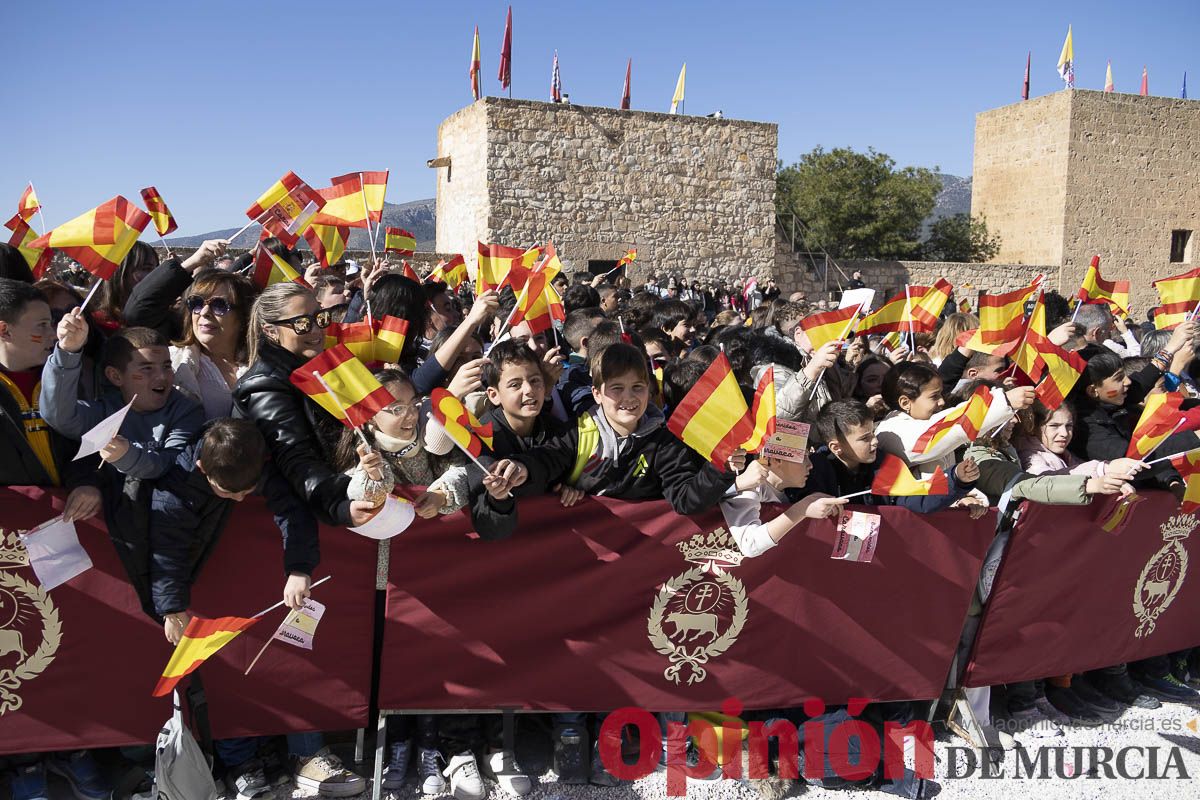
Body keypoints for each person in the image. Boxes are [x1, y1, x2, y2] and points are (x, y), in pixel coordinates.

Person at [485, 343, 741, 519]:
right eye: (616, 388)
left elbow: (686, 499)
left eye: (637, 387)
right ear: (597, 394)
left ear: (650, 391)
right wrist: (522, 469)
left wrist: (721, 468)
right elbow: (545, 460)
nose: (628, 398)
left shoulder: (665, 442)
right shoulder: (579, 432)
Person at [232, 283, 378, 529]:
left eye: (320, 318)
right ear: (270, 331)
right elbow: (295, 456)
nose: (316, 330)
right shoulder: (264, 385)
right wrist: (337, 505)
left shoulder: (318, 365)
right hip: (295, 517)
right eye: (302, 324)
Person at [804, 400, 979, 512]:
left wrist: (957, 479)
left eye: (872, 433)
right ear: (836, 447)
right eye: (865, 438)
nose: (875, 442)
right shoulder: (814, 471)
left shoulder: (885, 464)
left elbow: (915, 500)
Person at [170, 270, 256, 420]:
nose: (204, 312)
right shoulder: (170, 362)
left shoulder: (261, 363)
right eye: (196, 303)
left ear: (243, 316)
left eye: (219, 305)